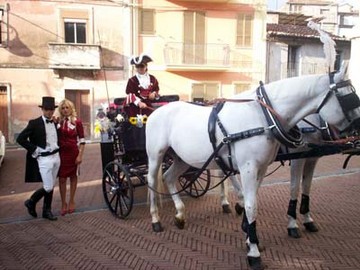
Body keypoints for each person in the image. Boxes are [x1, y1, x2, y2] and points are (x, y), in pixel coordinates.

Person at [17, 96, 60, 221]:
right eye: (47, 109)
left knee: (51, 185)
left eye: (51, 109)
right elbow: (20, 139)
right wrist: (35, 150)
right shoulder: (34, 123)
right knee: (48, 187)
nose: (49, 112)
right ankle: (31, 202)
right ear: (42, 109)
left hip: (56, 157)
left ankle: (47, 211)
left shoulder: (55, 123)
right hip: (44, 159)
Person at [56, 99, 85, 216]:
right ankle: (63, 203)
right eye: (63, 108)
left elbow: (82, 140)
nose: (65, 110)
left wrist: (80, 155)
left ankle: (72, 200)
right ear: (60, 110)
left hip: (74, 153)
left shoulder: (77, 122)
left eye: (67, 107)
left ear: (71, 108)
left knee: (73, 177)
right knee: (62, 179)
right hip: (61, 154)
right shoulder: (57, 122)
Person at [123, 54, 160, 119]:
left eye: (142, 66)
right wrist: (139, 103)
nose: (140, 68)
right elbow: (130, 94)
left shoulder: (152, 78)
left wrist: (154, 94)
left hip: (148, 105)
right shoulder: (132, 80)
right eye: (138, 66)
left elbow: (156, 89)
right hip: (135, 107)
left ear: (146, 66)